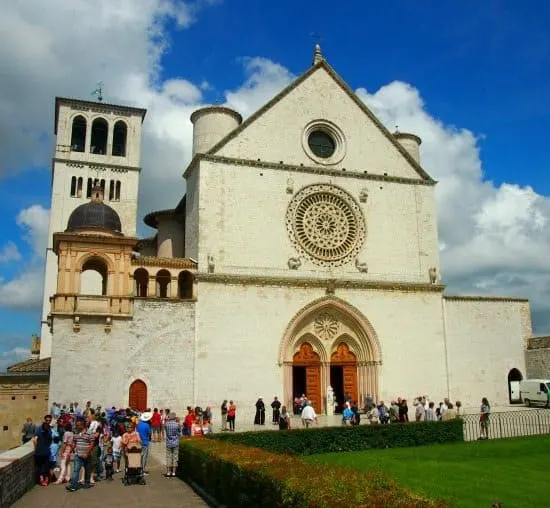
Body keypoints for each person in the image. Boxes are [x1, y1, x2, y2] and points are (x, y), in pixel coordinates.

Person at [66, 418, 94, 492]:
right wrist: (70, 451)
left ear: (83, 425)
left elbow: (92, 444)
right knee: (76, 470)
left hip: (87, 455)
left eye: (78, 425)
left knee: (87, 470)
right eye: (76, 425)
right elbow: (74, 443)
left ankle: (87, 483)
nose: (77, 426)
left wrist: (87, 453)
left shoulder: (89, 433)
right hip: (78, 455)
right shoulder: (76, 433)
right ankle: (73, 486)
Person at [32, 414, 53, 486]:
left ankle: (42, 480)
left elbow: (35, 440)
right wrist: (36, 448)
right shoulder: (43, 429)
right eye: (47, 420)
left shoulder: (41, 428)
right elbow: (35, 440)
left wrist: (36, 449)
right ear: (45, 420)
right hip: (43, 451)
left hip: (41, 451)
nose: (48, 422)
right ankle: (45, 480)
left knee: (41, 466)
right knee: (45, 466)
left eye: (49, 420)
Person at [164, 412, 180, 478]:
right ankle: (173, 472)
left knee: (168, 457)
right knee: (175, 457)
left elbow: (166, 431)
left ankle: (168, 472)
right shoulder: (177, 424)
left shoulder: (166, 424)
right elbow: (179, 433)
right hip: (175, 442)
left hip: (168, 442)